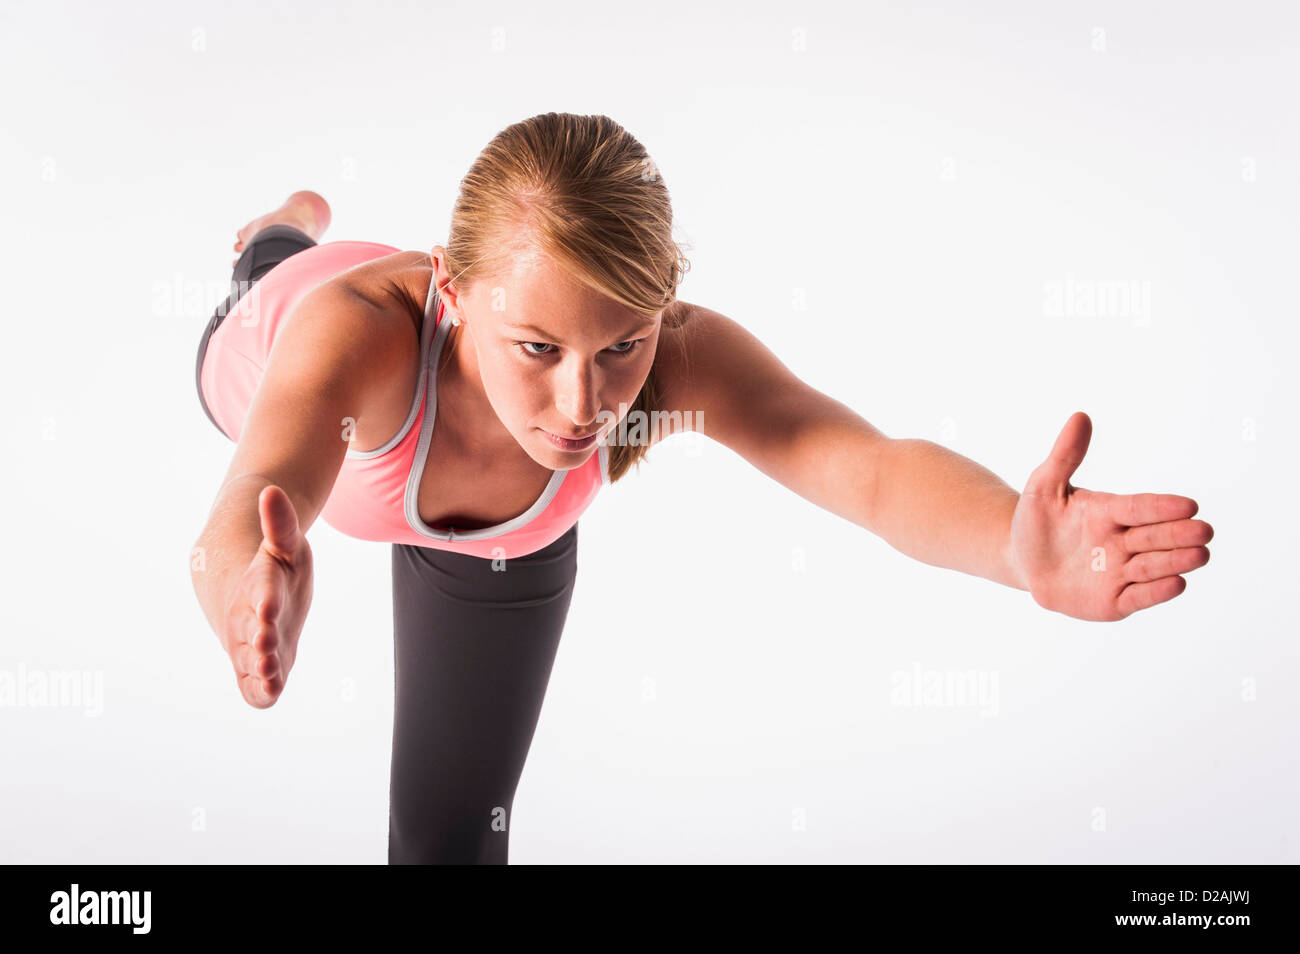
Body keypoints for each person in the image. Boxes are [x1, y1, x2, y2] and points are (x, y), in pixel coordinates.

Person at [189, 112, 1214, 864]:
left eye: (620, 345)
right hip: (261, 333)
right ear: (454, 299)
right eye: (537, 347)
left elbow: (860, 463)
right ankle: (279, 233)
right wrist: (247, 588)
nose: (580, 404)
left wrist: (1009, 543)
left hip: (503, 546)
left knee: (452, 836)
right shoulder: (362, 338)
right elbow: (254, 497)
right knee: (265, 275)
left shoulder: (674, 360)